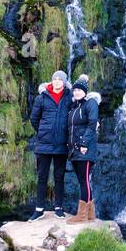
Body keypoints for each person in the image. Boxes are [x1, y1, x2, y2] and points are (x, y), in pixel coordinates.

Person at [27, 69, 72, 219]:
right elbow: (34, 118)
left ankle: (58, 208)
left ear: (64, 82)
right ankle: (39, 209)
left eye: (60, 79)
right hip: (44, 144)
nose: (57, 81)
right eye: (55, 78)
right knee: (42, 177)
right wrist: (42, 132)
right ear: (52, 81)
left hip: (62, 144)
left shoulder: (69, 97)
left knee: (59, 177)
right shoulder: (42, 97)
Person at [66, 76, 101, 223]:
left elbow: (92, 123)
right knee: (83, 180)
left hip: (84, 149)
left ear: (85, 92)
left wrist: (84, 144)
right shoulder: (75, 107)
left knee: (84, 181)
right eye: (75, 90)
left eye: (79, 89)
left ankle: (82, 215)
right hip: (74, 149)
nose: (76, 92)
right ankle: (91, 214)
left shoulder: (90, 103)